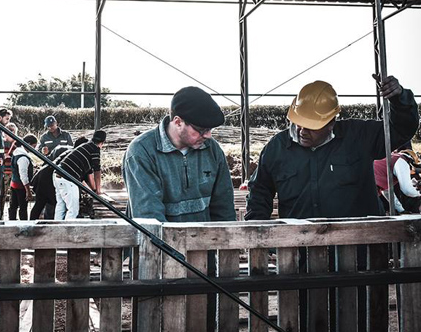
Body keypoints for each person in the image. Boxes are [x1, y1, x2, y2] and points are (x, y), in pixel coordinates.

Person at [246, 75, 419, 220]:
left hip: (358, 244)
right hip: (301, 245)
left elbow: (400, 130)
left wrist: (399, 100)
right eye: (298, 123)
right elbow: (259, 191)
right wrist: (258, 233)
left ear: (331, 123)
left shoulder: (359, 137)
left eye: (311, 126)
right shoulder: (277, 148)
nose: (302, 131)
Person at [123, 86, 236, 222]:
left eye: (210, 129)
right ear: (178, 122)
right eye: (202, 129)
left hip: (205, 236)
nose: (208, 135)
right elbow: (149, 219)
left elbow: (224, 209)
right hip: (158, 236)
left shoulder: (212, 150)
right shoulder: (142, 152)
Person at [30, 137, 88, 220]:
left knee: (41, 204)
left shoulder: (65, 150)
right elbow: (81, 178)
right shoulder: (77, 156)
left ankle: (34, 223)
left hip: (45, 176)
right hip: (51, 177)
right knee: (55, 203)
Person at [53, 131, 106, 220]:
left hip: (57, 175)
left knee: (61, 207)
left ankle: (57, 227)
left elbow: (87, 176)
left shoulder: (85, 146)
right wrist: (98, 191)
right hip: (67, 178)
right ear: (102, 142)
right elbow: (97, 172)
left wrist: (93, 190)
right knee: (73, 210)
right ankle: (67, 229)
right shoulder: (95, 150)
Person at [374, 149, 421, 214]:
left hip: (367, 185)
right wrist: (419, 193)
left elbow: (388, 193)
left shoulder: (391, 159)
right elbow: (407, 190)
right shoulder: (401, 161)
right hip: (370, 187)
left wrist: (401, 210)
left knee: (378, 212)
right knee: (378, 213)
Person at [9, 134, 37, 220]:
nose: (34, 149)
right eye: (33, 146)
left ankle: (11, 222)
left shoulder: (16, 152)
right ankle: (23, 223)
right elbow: (23, 176)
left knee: (13, 206)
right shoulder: (23, 158)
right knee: (23, 208)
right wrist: (28, 191)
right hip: (21, 186)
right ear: (28, 144)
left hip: (14, 183)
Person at [0, 122, 18, 216]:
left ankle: (12, 215)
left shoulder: (18, 143)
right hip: (4, 171)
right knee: (2, 194)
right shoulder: (1, 142)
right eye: (8, 131)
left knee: (14, 195)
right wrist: (3, 155)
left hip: (14, 172)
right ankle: (0, 213)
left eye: (12, 131)